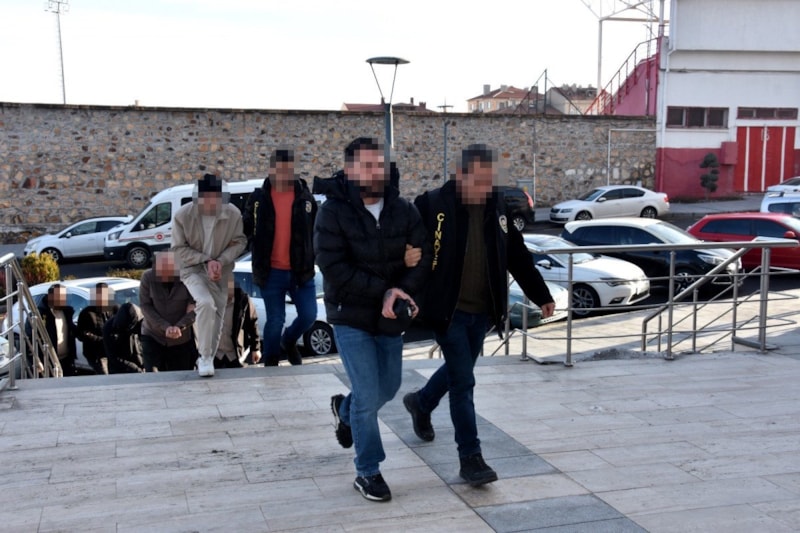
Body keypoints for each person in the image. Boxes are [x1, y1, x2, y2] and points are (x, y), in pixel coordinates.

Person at [403, 143, 556, 487]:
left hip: (483, 312)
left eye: (490, 180)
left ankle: (421, 403)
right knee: (464, 383)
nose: (486, 187)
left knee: (459, 371)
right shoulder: (432, 205)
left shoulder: (497, 207)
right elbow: (409, 248)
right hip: (448, 311)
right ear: (460, 174)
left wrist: (541, 294)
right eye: (479, 180)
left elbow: (517, 254)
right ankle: (470, 457)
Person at [314, 137, 429, 502]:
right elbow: (333, 267)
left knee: (388, 388)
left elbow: (423, 257)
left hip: (390, 317)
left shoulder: (403, 209)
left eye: (379, 165)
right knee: (367, 393)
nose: (375, 172)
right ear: (350, 170)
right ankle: (368, 471)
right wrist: (387, 289)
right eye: (366, 166)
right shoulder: (332, 212)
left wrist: (402, 290)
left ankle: (344, 410)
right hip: (350, 315)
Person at [242, 148, 317, 366]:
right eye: (280, 170)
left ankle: (289, 340)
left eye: (288, 170)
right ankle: (271, 362)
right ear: (272, 169)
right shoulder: (259, 199)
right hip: (271, 272)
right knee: (275, 321)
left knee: (309, 315)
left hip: (301, 272)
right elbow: (245, 228)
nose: (284, 175)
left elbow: (317, 231)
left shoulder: (305, 198)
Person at [172, 173, 248, 378]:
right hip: (192, 269)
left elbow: (240, 241)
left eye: (216, 200)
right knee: (205, 303)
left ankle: (207, 357)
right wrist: (206, 260)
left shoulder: (232, 214)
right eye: (207, 200)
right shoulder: (183, 215)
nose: (212, 205)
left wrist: (220, 261)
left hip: (221, 271)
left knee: (218, 315)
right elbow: (178, 248)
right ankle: (204, 356)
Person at [139, 250, 198, 372]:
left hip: (181, 338)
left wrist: (179, 326)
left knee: (181, 375)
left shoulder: (187, 278)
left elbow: (197, 306)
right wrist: (165, 326)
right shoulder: (147, 277)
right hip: (153, 335)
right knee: (153, 375)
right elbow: (145, 306)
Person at [25, 283, 78, 377]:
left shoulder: (67, 312)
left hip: (67, 361)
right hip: (47, 363)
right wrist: (35, 360)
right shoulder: (37, 316)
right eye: (60, 297)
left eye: (64, 297)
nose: (64, 299)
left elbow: (72, 330)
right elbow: (29, 339)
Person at [214, 278, 262, 368]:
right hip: (214, 355)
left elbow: (252, 323)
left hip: (235, 355)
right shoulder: (208, 300)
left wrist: (256, 349)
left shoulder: (242, 300)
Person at [76, 282, 117, 375]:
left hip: (113, 353)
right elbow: (82, 334)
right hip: (96, 355)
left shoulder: (114, 309)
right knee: (106, 376)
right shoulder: (87, 313)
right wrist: (102, 340)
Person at [103, 302, 145, 374]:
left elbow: (147, 346)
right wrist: (135, 369)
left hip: (140, 363)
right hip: (119, 368)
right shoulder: (110, 328)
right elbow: (113, 356)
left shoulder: (142, 323)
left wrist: (145, 365)